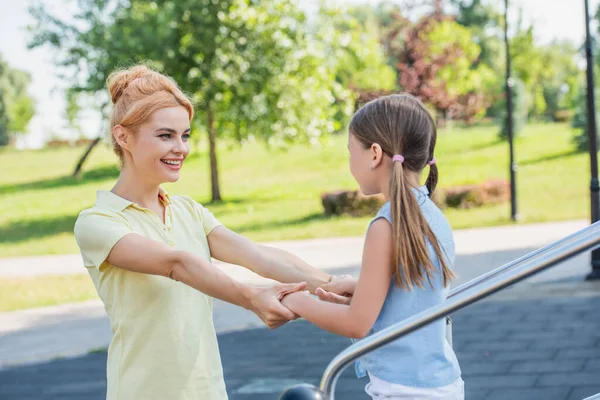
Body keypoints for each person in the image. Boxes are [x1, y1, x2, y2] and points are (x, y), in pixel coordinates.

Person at [73, 64, 334, 400]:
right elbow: (176, 264)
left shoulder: (188, 211)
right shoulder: (99, 222)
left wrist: (331, 286)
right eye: (165, 135)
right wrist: (251, 298)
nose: (180, 148)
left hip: (208, 391)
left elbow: (257, 255)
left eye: (185, 135)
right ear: (124, 137)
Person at [281, 94, 464, 399]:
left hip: (403, 390)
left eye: (351, 152)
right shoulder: (433, 216)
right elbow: (418, 292)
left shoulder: (386, 226)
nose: (350, 162)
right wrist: (362, 286)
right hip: (441, 383)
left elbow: (356, 323)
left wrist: (297, 302)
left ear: (375, 154)